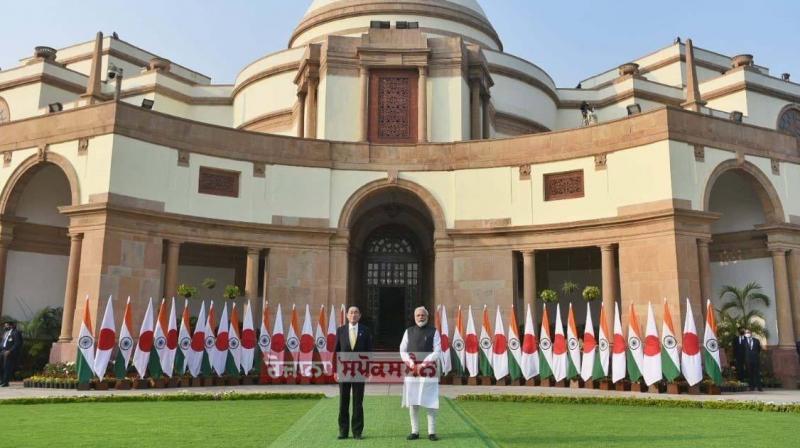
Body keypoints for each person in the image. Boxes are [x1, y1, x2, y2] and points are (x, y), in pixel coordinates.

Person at [400, 307, 441, 442]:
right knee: (413, 402)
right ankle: (415, 431)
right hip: (412, 371)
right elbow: (402, 350)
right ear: (414, 316)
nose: (420, 317)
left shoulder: (434, 332)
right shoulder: (408, 331)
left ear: (427, 316)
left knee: (430, 401)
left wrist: (423, 365)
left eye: (423, 315)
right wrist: (412, 365)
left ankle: (432, 432)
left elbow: (437, 351)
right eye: (418, 315)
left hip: (429, 370)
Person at [334, 306, 372, 440]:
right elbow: (336, 351)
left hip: (359, 371)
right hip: (343, 371)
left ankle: (357, 432)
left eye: (356, 312)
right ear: (347, 315)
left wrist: (367, 370)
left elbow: (368, 352)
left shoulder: (365, 331)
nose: (353, 314)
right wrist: (335, 370)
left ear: (360, 315)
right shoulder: (341, 330)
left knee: (358, 402)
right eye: (351, 312)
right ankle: (343, 431)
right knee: (343, 401)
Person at [0, 320, 23, 387]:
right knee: (1, 366)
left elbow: (17, 343)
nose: (5, 327)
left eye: (6, 325)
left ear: (11, 326)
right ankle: (1, 380)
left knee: (7, 367)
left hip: (9, 353)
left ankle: (5, 382)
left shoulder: (16, 333)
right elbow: (2, 343)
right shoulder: (6, 333)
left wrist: (10, 351)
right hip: (2, 351)